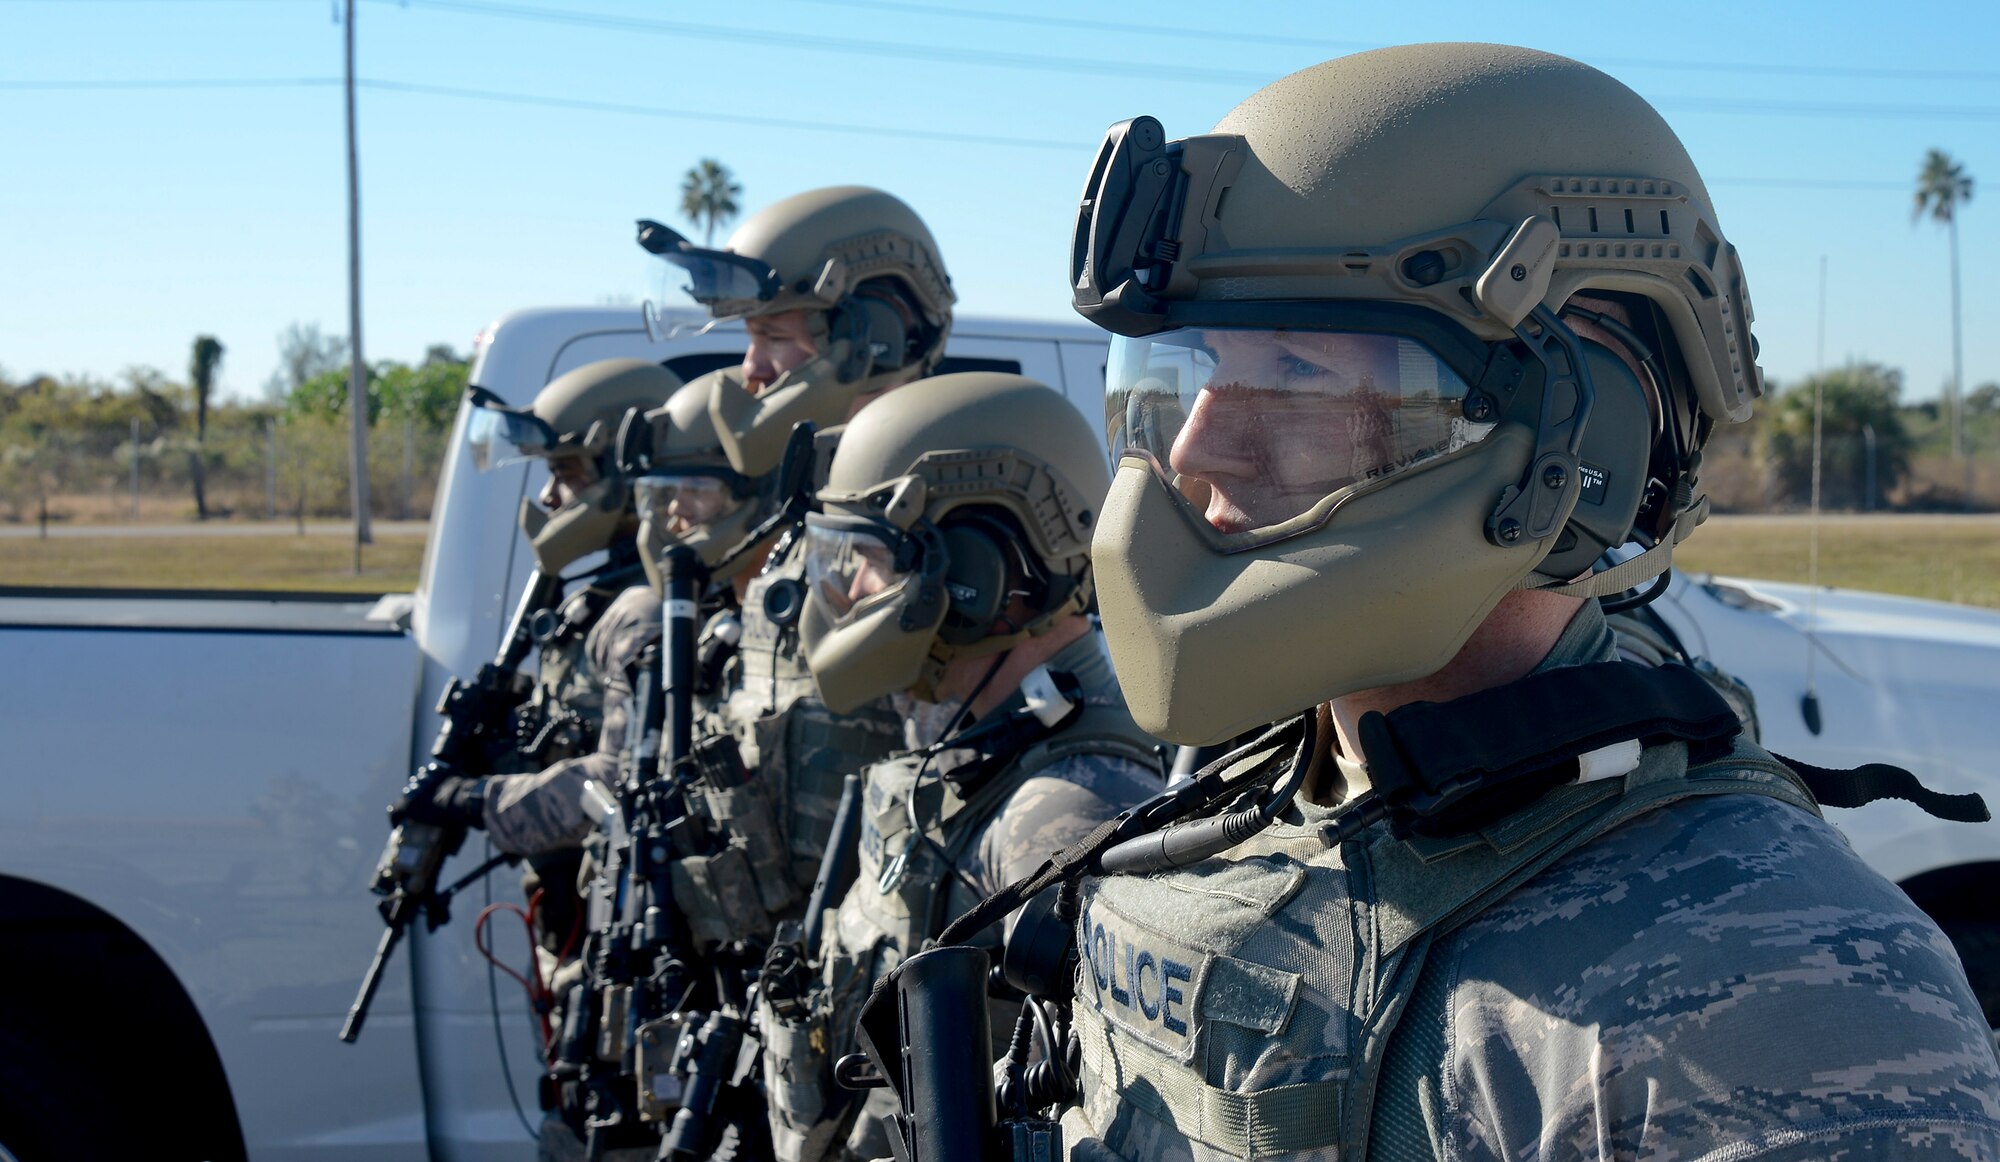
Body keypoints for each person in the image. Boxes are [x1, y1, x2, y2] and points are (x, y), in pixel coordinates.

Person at [1046, 43, 2000, 1161]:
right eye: (1196, 369)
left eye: (1295, 371)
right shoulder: (1239, 790)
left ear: (1577, 435)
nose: (1200, 446)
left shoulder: (1762, 984)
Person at [758, 372, 1165, 1162]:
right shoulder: (974, 748)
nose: (845, 595)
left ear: (984, 575)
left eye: (866, 560)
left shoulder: (1064, 812)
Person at [632, 185, 960, 949]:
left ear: (874, 331)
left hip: (879, 980)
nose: (750, 368)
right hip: (779, 969)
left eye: (773, 335)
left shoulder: (942, 517)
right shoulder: (809, 508)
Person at [391, 357, 678, 953]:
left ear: (624, 473)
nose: (548, 498)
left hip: (625, 925)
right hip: (577, 909)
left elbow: (615, 784)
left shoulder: (647, 610)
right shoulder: (592, 601)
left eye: (564, 473)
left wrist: (472, 800)